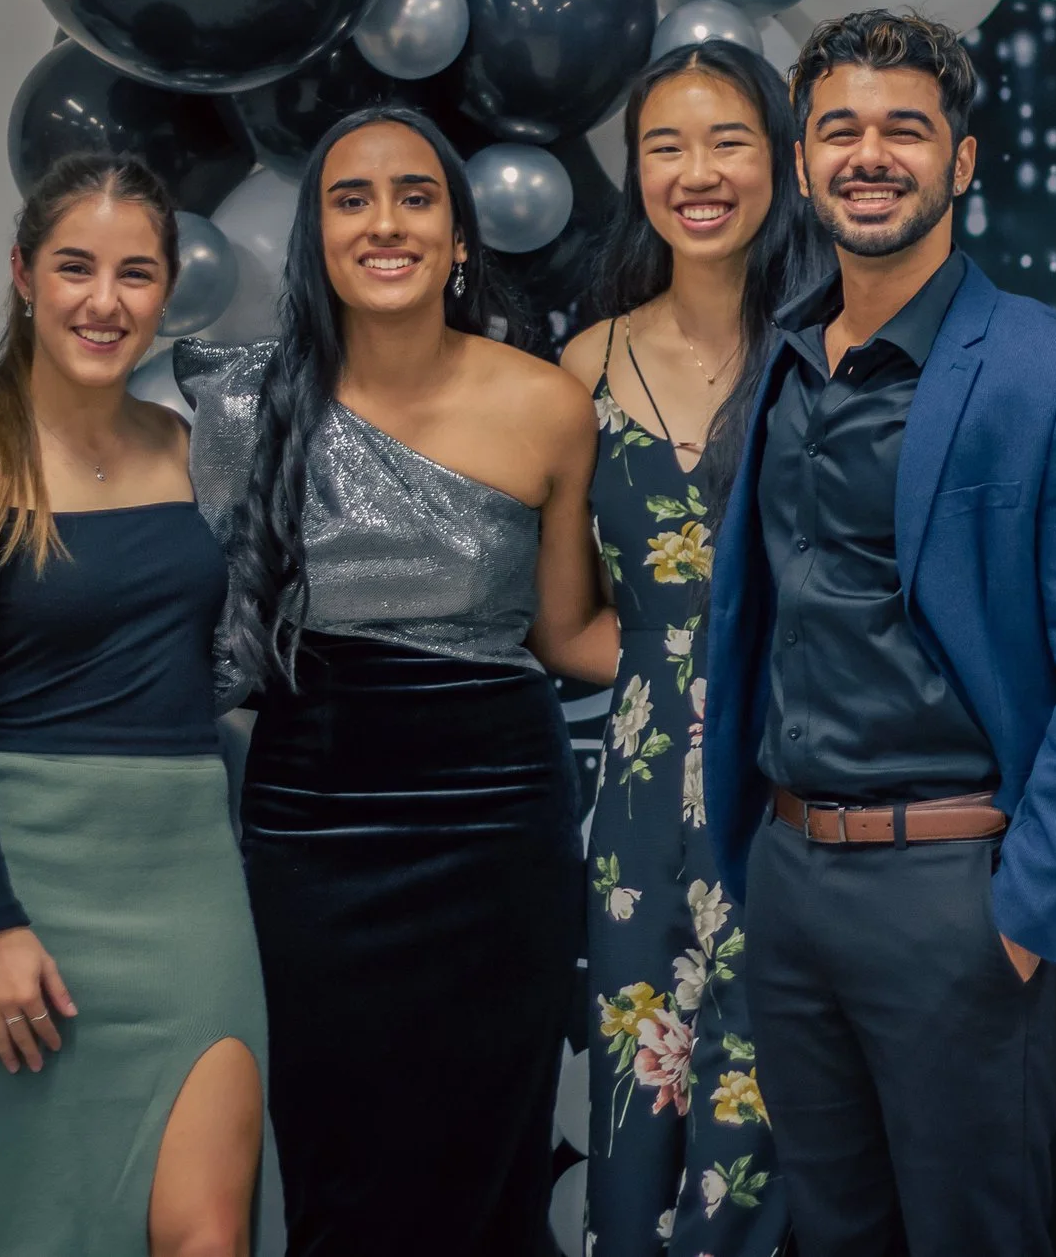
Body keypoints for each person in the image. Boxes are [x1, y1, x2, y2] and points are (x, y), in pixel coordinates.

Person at [704, 11, 1056, 1256]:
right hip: (794, 873)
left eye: (905, 128)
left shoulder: (1051, 374)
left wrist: (1019, 912)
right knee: (831, 1235)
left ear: (960, 162)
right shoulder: (787, 359)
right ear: (803, 164)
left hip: (954, 891)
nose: (871, 154)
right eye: (840, 129)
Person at [177, 105, 616, 1257]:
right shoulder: (237, 403)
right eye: (352, 197)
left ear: (460, 238)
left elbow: (569, 635)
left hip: (496, 828)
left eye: (416, 197)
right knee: (339, 1158)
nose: (386, 222)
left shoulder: (548, 403)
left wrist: (750, 643)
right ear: (314, 234)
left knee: (489, 1162)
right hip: (312, 822)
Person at [0, 153, 264, 1257]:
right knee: (39, 1234)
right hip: (26, 883)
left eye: (135, 272)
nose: (105, 300)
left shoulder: (196, 454)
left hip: (186, 874)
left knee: (210, 1232)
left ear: (166, 289)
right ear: (23, 273)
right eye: (75, 266)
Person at [557, 40, 824, 1257]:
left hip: (800, 785)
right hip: (639, 814)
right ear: (634, 171)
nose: (697, 171)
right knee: (639, 1114)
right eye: (666, 145)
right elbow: (562, 622)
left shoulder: (832, 351)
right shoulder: (587, 364)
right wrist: (675, 672)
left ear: (780, 159)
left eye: (728, 140)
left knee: (772, 1118)